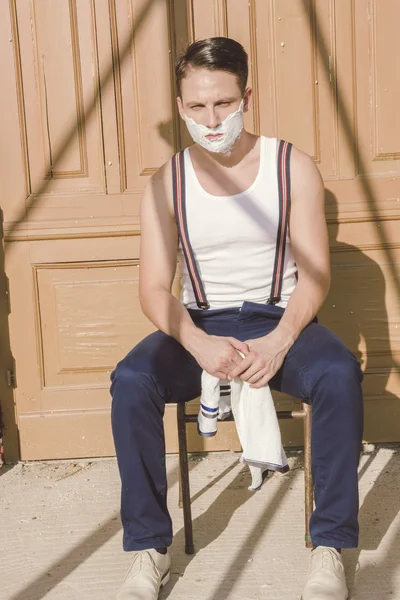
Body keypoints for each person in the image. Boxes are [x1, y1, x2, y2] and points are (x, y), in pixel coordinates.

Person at [110, 37, 363, 600]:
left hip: (280, 317)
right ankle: (148, 549)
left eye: (223, 103)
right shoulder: (165, 183)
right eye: (197, 107)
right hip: (198, 324)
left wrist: (280, 339)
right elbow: (153, 288)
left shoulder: (290, 165)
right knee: (132, 380)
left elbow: (316, 273)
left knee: (339, 374)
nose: (211, 118)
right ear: (180, 107)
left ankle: (330, 546)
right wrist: (198, 343)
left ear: (246, 95)